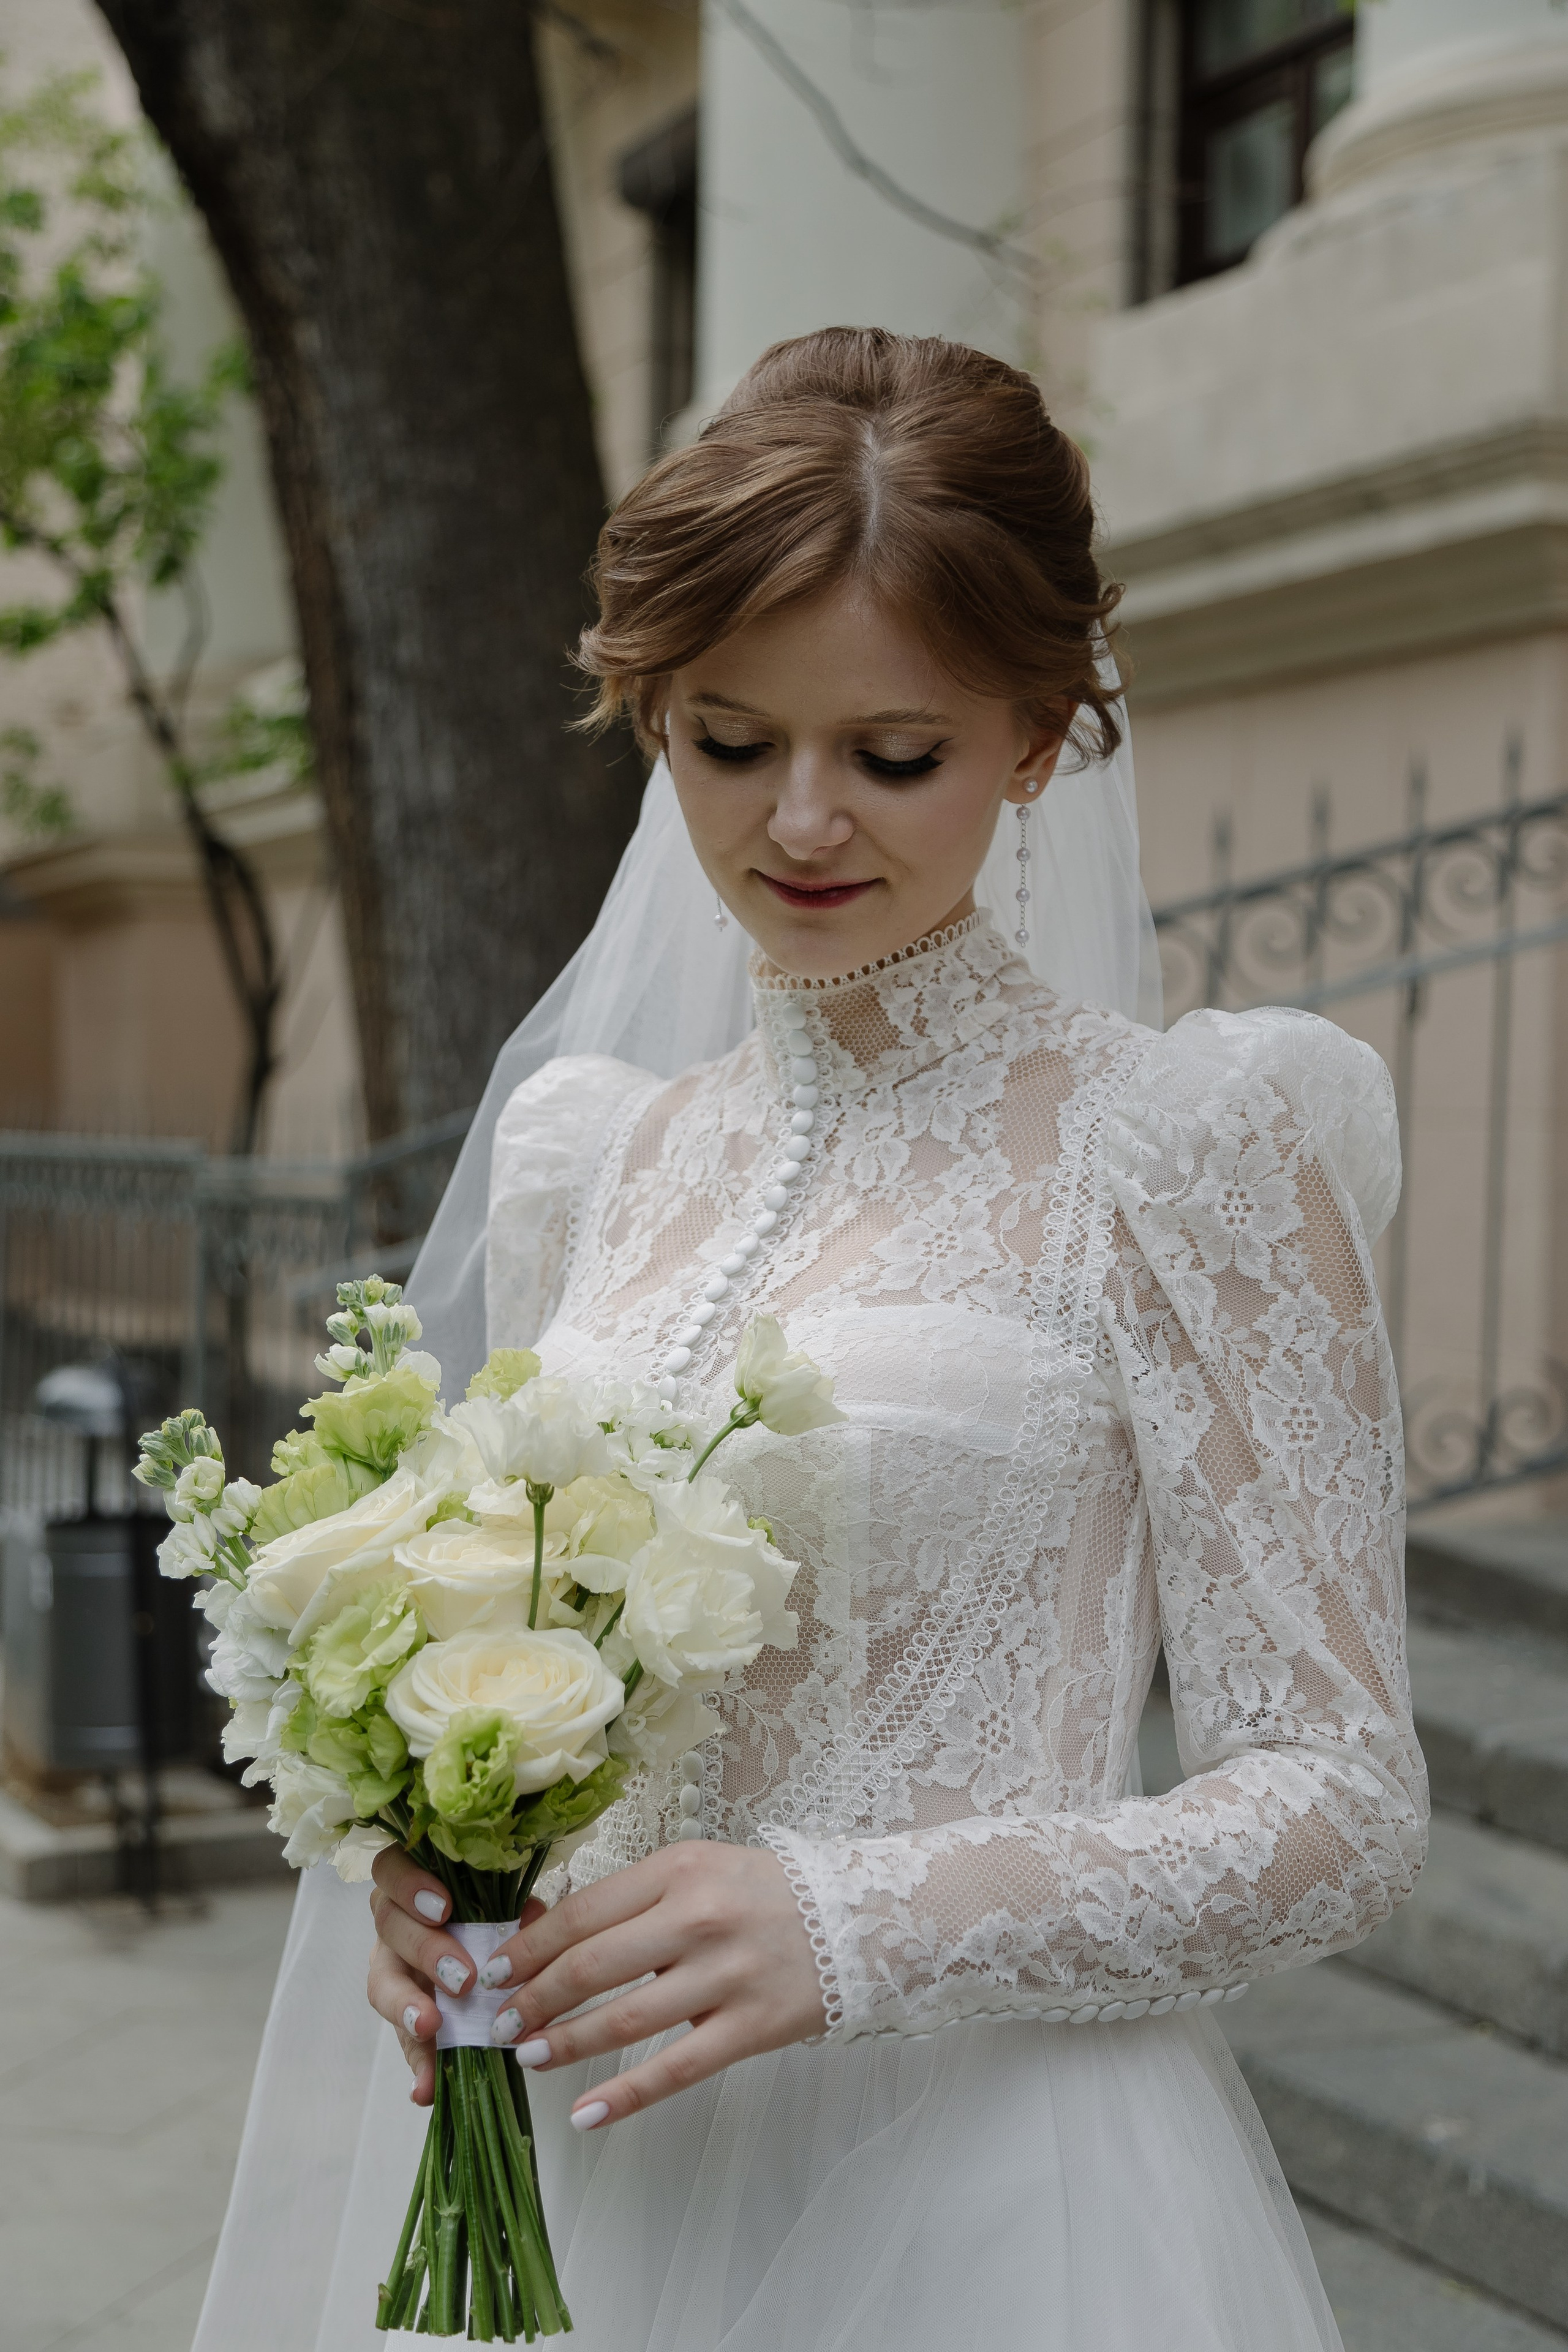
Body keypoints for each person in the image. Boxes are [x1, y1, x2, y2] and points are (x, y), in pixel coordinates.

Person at [195, 329, 1425, 2352]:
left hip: (993, 2197)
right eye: (729, 741)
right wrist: (436, 1881)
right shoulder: (593, 1154)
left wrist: (854, 1927)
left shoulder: (1192, 1142)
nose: (801, 826)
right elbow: (532, 1665)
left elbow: (1341, 1802)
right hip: (598, 2160)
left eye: (896, 752)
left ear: (1037, 739)